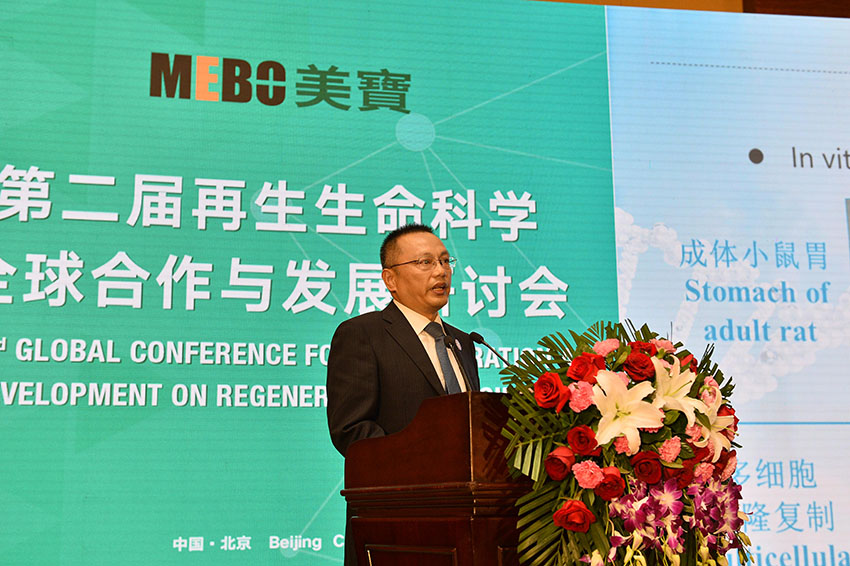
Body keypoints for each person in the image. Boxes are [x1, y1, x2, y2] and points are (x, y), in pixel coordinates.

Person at [326, 223, 481, 565]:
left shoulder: (463, 342)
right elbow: (351, 430)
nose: (441, 271)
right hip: (395, 526)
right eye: (425, 262)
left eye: (445, 261)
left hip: (465, 524)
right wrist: (425, 471)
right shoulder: (362, 334)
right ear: (390, 279)